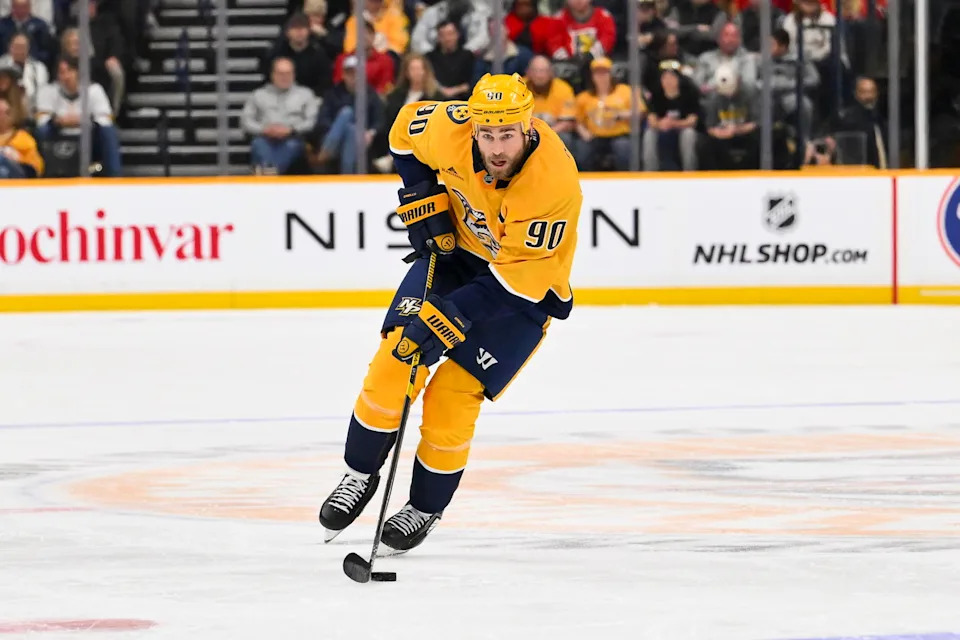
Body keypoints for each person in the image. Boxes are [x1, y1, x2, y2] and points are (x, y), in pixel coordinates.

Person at [318, 73, 582, 553]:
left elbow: (517, 279)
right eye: (487, 135)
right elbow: (403, 132)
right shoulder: (452, 128)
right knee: (393, 362)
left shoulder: (553, 184)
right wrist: (422, 196)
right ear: (474, 128)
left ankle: (424, 507)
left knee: (450, 401)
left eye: (507, 135)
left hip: (519, 296)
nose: (496, 148)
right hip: (454, 257)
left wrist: (446, 319)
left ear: (527, 128)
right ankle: (358, 474)